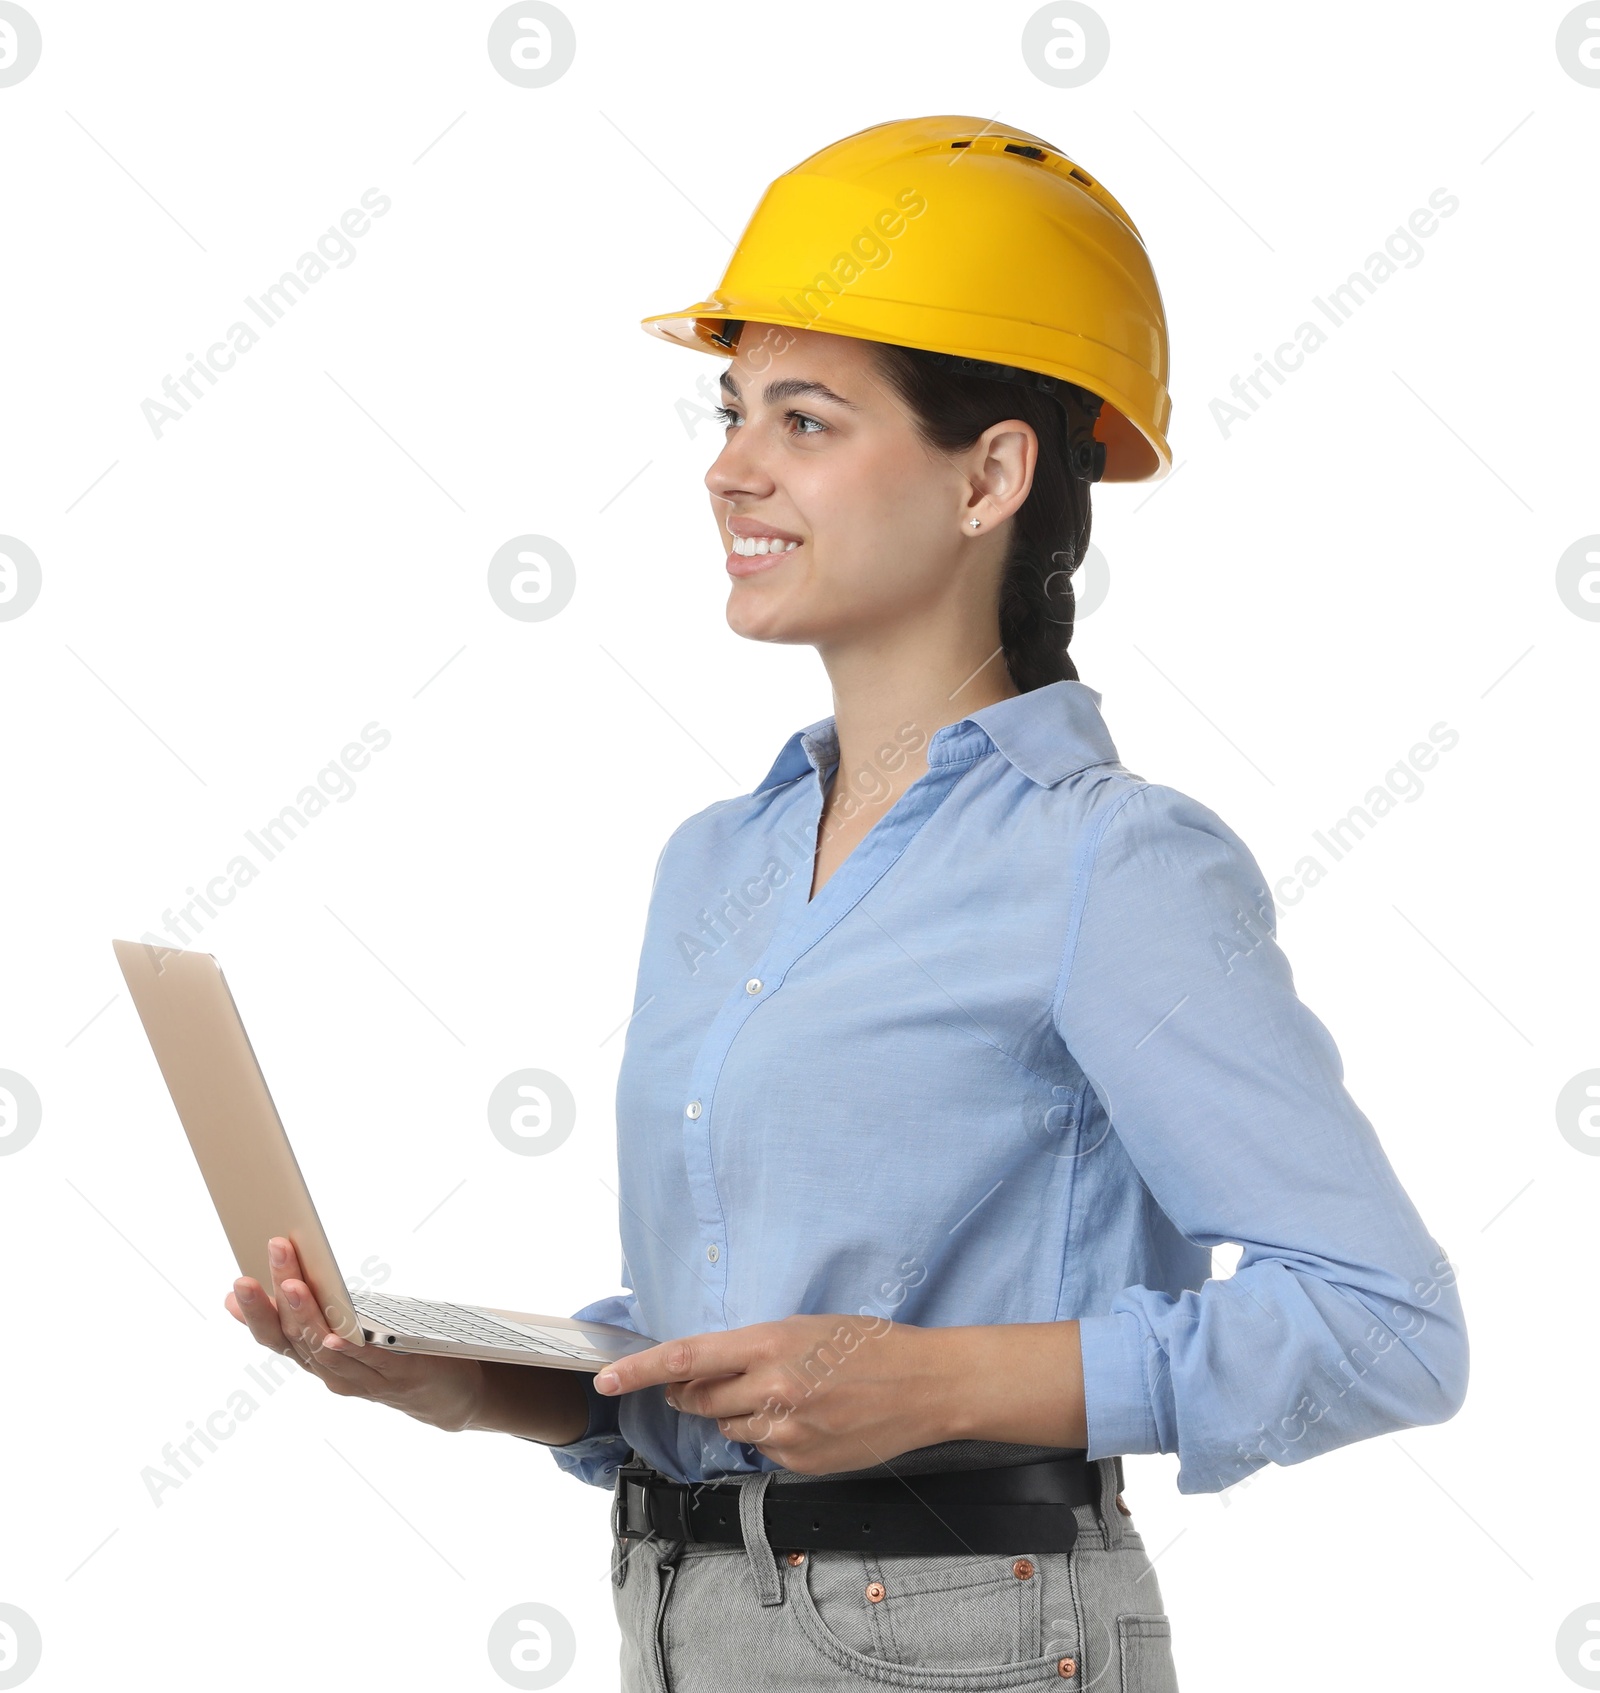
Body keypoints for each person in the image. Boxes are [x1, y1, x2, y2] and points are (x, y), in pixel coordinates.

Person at [225, 116, 1469, 1690]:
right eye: (733, 408)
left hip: (962, 1627)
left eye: (805, 421)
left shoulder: (1109, 862)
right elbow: (749, 1343)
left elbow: (1388, 1328)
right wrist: (457, 1378)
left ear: (992, 475)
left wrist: (940, 1378)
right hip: (681, 1617)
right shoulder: (716, 861)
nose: (730, 465)